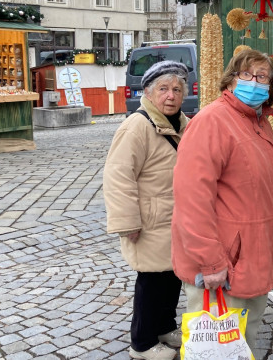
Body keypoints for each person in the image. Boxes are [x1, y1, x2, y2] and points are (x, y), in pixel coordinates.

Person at [171, 49, 273, 352]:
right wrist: (210, 263)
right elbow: (192, 198)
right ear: (231, 79)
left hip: (252, 257)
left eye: (262, 76)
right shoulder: (213, 121)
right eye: (246, 74)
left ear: (271, 84)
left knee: (241, 342)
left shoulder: (259, 121)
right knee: (215, 348)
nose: (254, 81)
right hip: (223, 264)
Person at [104, 61, 190, 360]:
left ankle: (165, 327)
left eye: (177, 89)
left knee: (172, 276)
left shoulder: (184, 123)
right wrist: (127, 222)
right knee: (151, 282)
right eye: (164, 89)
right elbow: (118, 175)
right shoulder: (136, 126)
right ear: (149, 93)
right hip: (150, 220)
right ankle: (141, 343)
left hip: (177, 219)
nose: (171, 96)